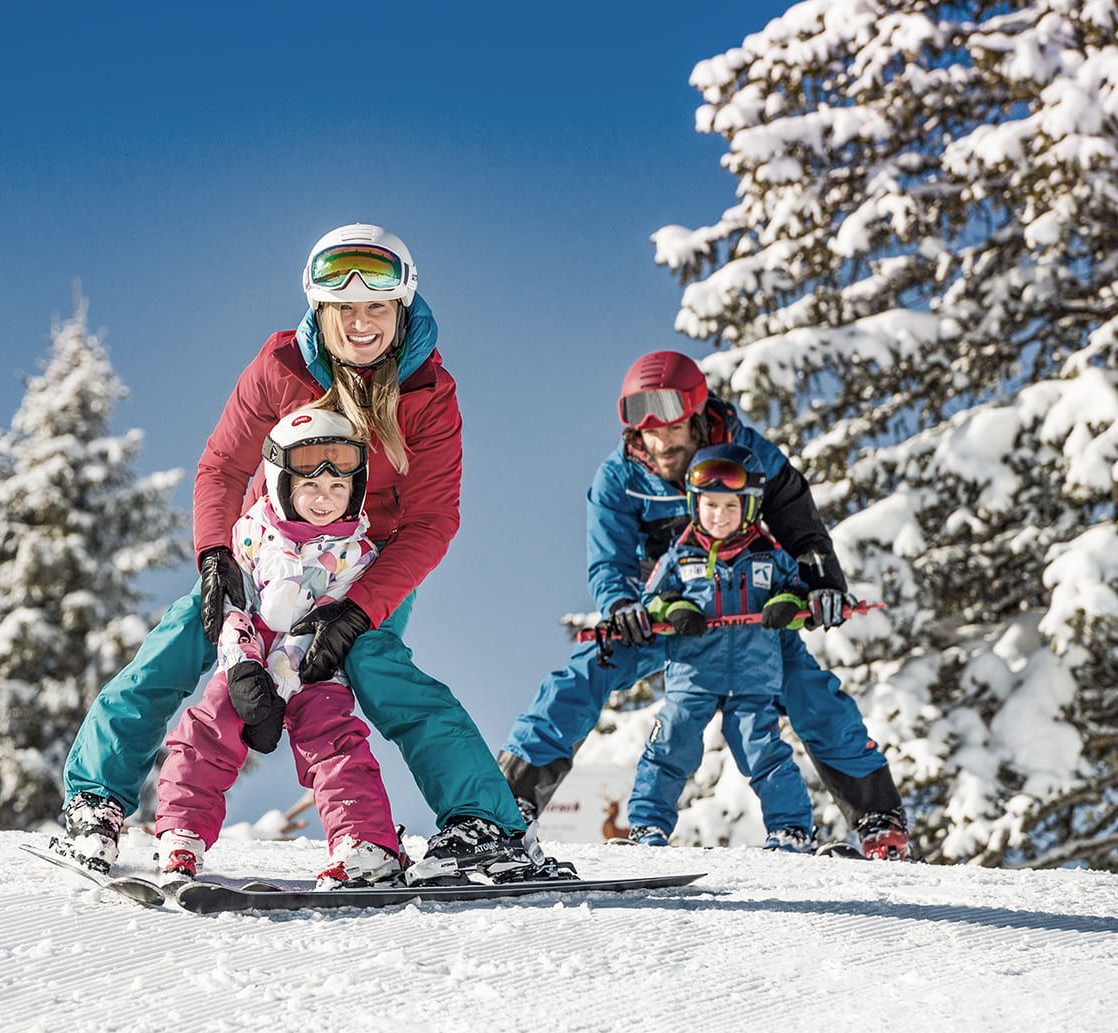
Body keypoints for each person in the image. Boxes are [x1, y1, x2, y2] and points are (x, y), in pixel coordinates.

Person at [63, 224, 552, 885]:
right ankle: (96, 800)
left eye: (376, 306)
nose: (360, 322)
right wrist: (215, 558)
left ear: (401, 307)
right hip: (267, 554)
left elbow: (431, 521)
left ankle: (481, 823)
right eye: (344, 308)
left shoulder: (428, 397)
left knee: (376, 665)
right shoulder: (280, 368)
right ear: (321, 309)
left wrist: (357, 610)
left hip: (363, 565)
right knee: (181, 639)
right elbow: (220, 469)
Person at [498, 350, 911, 861]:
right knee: (582, 676)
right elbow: (609, 560)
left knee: (813, 694)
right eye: (645, 428)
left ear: (695, 414)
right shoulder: (620, 477)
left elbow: (801, 527)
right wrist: (623, 606)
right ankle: (504, 807)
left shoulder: (748, 454)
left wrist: (821, 584)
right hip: (672, 616)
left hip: (752, 614)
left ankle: (878, 823)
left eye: (670, 426)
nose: (659, 441)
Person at [154, 408, 404, 890]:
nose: (324, 499)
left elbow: (327, 616)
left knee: (332, 739)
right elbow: (233, 603)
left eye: (338, 488)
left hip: (313, 663)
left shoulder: (357, 554)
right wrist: (246, 667)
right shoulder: (249, 533)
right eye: (310, 485)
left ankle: (364, 843)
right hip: (246, 655)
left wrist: (284, 675)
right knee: (211, 726)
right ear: (281, 482)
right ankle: (181, 831)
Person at [625, 443, 814, 852]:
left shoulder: (769, 556)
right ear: (696, 505)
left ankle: (791, 829)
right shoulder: (680, 556)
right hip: (693, 674)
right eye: (710, 505)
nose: (720, 516)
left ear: (748, 508)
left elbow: (798, 589)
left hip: (753, 676)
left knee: (763, 750)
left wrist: (787, 603)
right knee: (671, 741)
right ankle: (647, 827)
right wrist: (674, 608)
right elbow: (652, 597)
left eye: (731, 506)